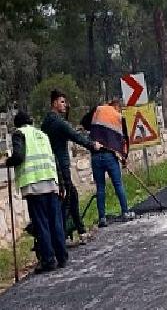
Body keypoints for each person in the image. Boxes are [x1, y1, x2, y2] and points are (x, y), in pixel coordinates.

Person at [7, 111, 67, 273]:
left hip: (34, 185)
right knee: (55, 221)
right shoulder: (42, 135)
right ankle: (62, 256)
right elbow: (54, 159)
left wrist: (8, 161)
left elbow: (19, 157)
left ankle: (48, 260)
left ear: (18, 124)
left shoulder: (19, 134)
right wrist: (61, 184)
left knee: (41, 223)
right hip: (51, 181)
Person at [41, 89, 101, 244]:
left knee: (66, 199)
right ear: (54, 103)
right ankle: (72, 234)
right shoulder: (59, 123)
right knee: (69, 198)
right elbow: (76, 136)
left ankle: (70, 234)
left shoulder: (45, 123)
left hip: (50, 166)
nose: (65, 105)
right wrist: (92, 144)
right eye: (62, 102)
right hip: (61, 165)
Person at [81, 99, 134, 228]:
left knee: (100, 187)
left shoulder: (98, 109)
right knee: (118, 184)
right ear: (117, 107)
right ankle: (125, 212)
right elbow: (125, 140)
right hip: (110, 156)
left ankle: (102, 218)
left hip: (95, 156)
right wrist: (124, 158)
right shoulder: (119, 117)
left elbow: (84, 123)